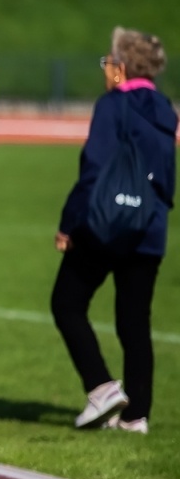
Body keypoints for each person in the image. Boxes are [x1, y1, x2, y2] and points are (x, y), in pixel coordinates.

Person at [52, 27, 175, 434]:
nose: (105, 70)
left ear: (121, 68)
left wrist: (69, 223)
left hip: (106, 225)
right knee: (134, 321)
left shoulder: (111, 106)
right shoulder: (165, 110)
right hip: (150, 228)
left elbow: (94, 169)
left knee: (67, 303)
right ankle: (136, 416)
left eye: (108, 62)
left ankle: (101, 387)